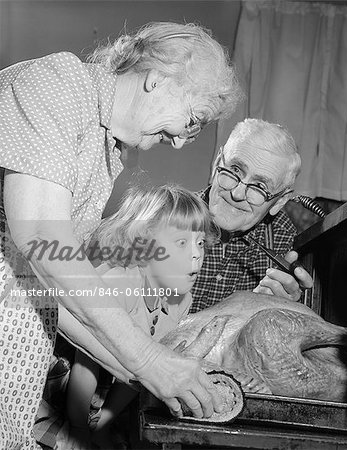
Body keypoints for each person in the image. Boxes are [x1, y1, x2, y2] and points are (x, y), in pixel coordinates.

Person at [0, 21, 240, 449]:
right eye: (193, 121)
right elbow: (39, 236)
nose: (183, 143)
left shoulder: (108, 149)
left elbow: (53, 290)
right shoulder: (58, 84)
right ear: (157, 78)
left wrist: (150, 376)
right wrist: (149, 360)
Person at [66, 184, 217, 448]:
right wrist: (77, 431)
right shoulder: (118, 283)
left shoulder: (181, 301)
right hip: (68, 385)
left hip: (108, 390)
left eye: (201, 242)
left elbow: (144, 373)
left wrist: (102, 424)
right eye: (182, 242)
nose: (196, 253)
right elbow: (85, 362)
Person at [191, 118, 313, 313]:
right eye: (235, 170)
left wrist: (269, 311)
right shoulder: (167, 215)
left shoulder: (282, 238)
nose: (237, 194)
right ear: (216, 165)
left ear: (280, 201)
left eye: (260, 186)